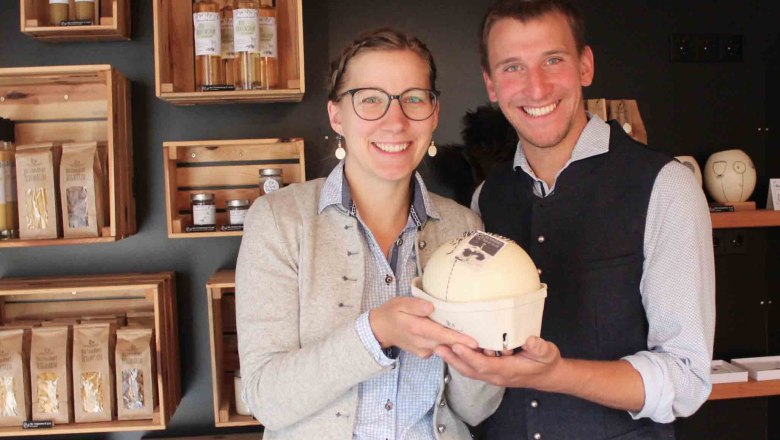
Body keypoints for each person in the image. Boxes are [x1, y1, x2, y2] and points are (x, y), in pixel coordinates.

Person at [435, 1, 716, 439]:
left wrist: (556, 375)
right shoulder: (485, 199)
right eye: (513, 68)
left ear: (585, 65)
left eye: (553, 60)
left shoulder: (666, 187)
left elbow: (686, 379)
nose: (536, 87)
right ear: (491, 84)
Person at [235, 28, 503, 440]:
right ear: (337, 115)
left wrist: (489, 351)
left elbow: (475, 408)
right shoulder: (278, 221)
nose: (394, 121)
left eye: (413, 98)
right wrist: (375, 333)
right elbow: (265, 398)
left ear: (433, 113)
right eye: (370, 99)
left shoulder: (463, 228)